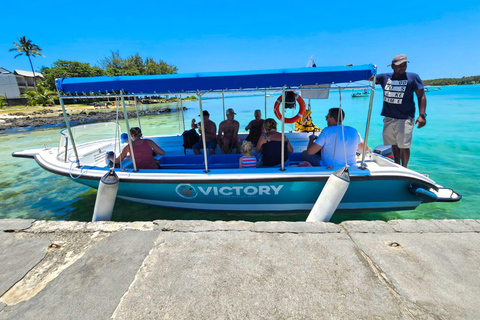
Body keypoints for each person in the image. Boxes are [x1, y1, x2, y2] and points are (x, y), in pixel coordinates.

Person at [374, 54, 427, 168]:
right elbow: (369, 77)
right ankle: (396, 165)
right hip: (389, 118)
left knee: (404, 146)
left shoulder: (413, 77)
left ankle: (405, 168)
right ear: (392, 66)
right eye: (399, 65)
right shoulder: (385, 77)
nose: (402, 67)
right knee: (393, 144)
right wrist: (352, 71)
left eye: (404, 65)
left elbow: (421, 96)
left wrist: (422, 115)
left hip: (405, 118)